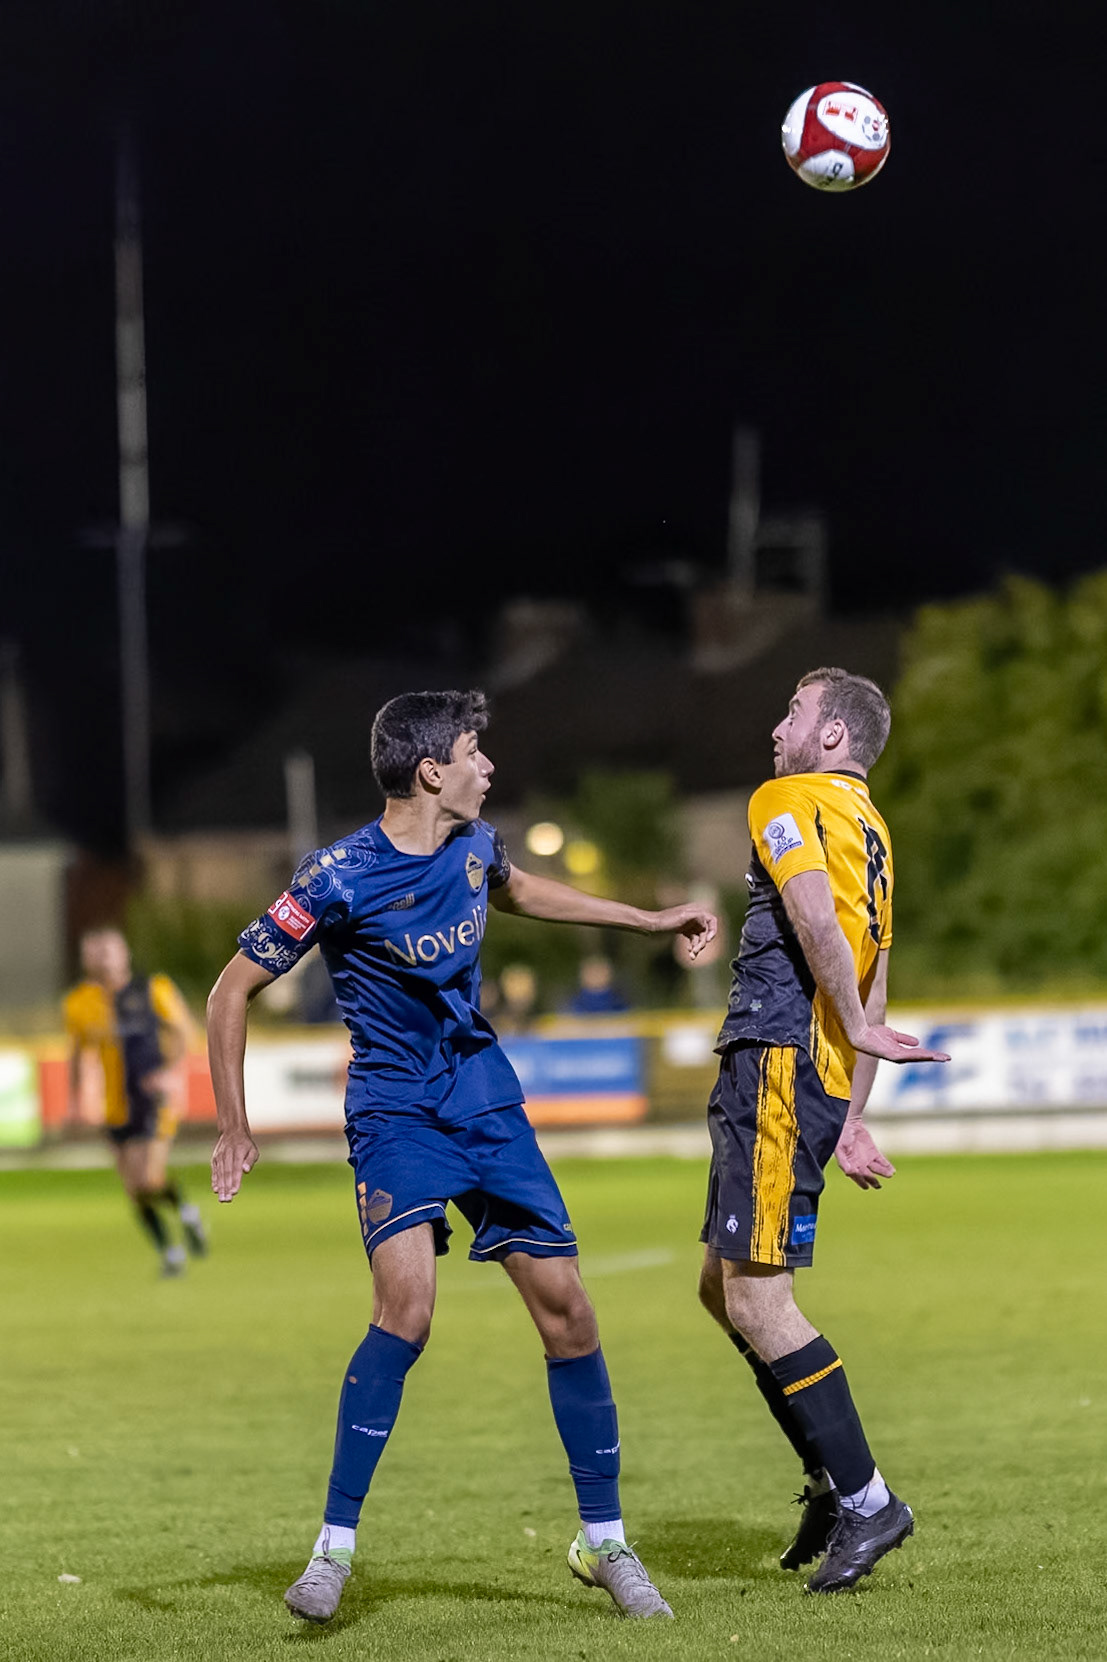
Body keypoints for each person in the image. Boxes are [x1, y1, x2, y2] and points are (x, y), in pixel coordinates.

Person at [207, 689, 717, 1625]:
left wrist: (647, 922)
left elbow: (522, 890)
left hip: (485, 1099)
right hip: (396, 1115)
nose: (490, 768)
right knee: (406, 1311)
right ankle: (332, 1551)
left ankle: (604, 1542)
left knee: (569, 1314)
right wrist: (234, 1124)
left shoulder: (475, 847)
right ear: (431, 770)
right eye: (477, 752)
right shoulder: (335, 877)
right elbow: (228, 993)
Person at [696, 668, 949, 1595]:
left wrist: (842, 1023)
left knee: (760, 1300)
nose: (774, 727)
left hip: (774, 1060)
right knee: (722, 1289)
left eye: (793, 713)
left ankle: (868, 1497)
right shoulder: (872, 829)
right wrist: (854, 1110)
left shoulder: (784, 798)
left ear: (833, 735)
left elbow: (811, 924)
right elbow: (874, 978)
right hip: (808, 1076)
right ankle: (825, 1473)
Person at [64, 927, 208, 1276]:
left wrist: (169, 1072)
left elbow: (184, 1032)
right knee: (135, 1191)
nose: (103, 958)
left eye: (110, 950)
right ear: (86, 959)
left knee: (148, 1179)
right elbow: (76, 1054)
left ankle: (186, 1211)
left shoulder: (152, 989)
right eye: (96, 951)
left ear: (125, 953)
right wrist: (73, 1103)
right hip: (114, 1107)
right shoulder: (79, 1003)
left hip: (153, 1100)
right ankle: (171, 1253)